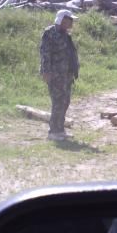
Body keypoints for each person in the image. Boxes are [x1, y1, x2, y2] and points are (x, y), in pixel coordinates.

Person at [39, 9, 80, 141]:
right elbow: (45, 53)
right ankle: (53, 132)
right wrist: (46, 71)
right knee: (57, 102)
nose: (72, 22)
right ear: (62, 20)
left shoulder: (65, 35)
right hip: (55, 75)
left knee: (65, 102)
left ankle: (60, 129)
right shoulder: (50, 33)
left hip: (66, 75)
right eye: (70, 20)